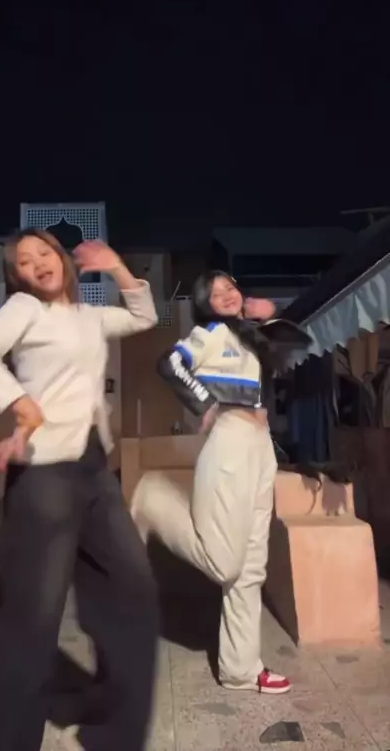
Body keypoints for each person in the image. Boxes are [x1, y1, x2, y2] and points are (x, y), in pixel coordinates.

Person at [0, 229, 159, 751]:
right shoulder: (25, 309)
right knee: (32, 618)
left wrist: (116, 266)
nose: (37, 264)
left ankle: (113, 731)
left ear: (63, 260)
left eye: (44, 253)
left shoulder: (89, 316)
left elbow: (143, 317)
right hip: (45, 476)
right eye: (24, 261)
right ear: (16, 276)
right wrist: (19, 403)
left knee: (133, 589)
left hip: (94, 469)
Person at [131, 270, 310, 695]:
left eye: (231, 287)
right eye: (216, 293)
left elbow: (300, 343)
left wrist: (272, 314)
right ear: (205, 304)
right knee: (225, 563)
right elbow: (170, 363)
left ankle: (240, 670)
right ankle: (151, 495)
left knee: (250, 569)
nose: (227, 295)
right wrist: (205, 401)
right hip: (230, 442)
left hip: (261, 447)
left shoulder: (250, 337)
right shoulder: (210, 333)